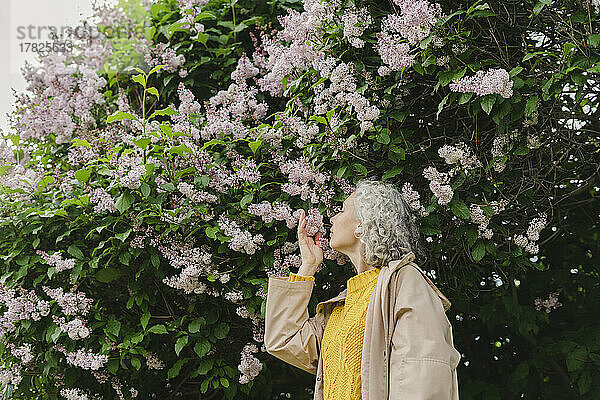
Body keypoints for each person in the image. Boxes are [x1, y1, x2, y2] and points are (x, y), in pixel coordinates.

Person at [264, 179, 461, 400]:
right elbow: (284, 340)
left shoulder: (404, 281)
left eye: (342, 210)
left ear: (362, 223)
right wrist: (307, 266)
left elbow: (422, 371)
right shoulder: (343, 304)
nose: (332, 218)